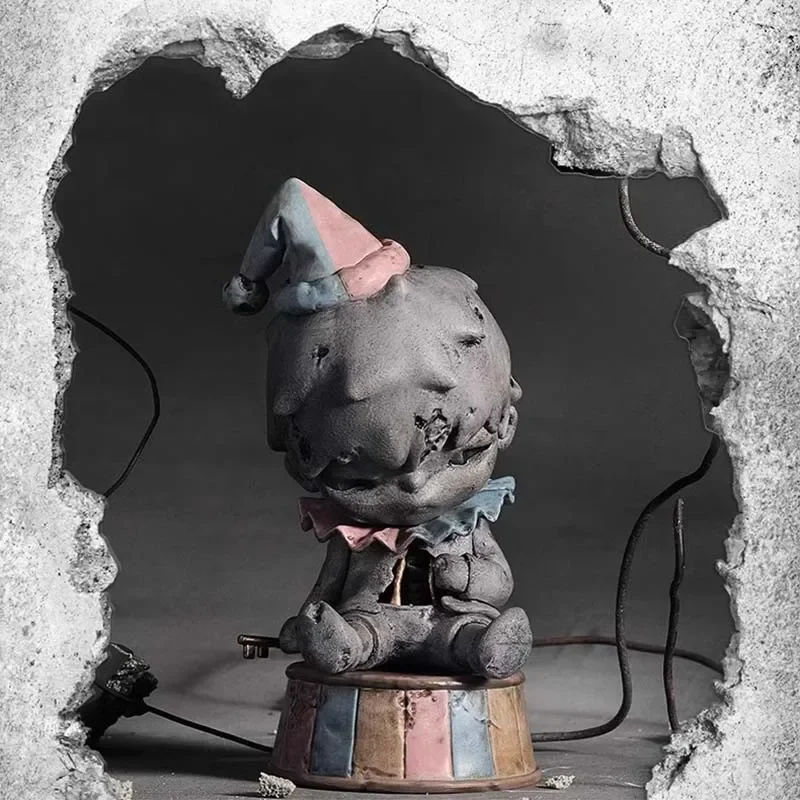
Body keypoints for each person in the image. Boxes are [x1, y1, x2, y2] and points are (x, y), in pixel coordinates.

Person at [223, 178, 532, 677]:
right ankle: (348, 646)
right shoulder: (353, 535)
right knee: (360, 632)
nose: (416, 488)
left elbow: (497, 580)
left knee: (465, 631)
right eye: (362, 480)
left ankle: (481, 647)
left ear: (507, 422)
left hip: (450, 616)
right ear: (300, 462)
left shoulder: (466, 524)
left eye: (461, 455)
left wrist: (467, 576)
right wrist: (310, 619)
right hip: (369, 617)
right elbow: (329, 585)